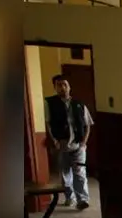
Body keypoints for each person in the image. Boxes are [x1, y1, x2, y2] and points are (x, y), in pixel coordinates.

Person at [45, 73, 94, 210]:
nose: (62, 88)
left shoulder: (79, 104)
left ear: (69, 86)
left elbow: (87, 124)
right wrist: (54, 141)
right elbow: (48, 124)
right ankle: (69, 197)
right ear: (55, 88)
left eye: (65, 84)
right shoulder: (50, 103)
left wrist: (84, 142)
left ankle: (82, 200)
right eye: (59, 85)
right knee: (65, 173)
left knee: (80, 172)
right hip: (62, 143)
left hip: (78, 144)